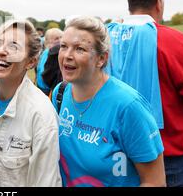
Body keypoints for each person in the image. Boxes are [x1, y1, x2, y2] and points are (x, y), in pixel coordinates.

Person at [52, 16, 165, 187]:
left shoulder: (129, 106)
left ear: (101, 59)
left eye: (79, 49)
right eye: (63, 46)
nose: (67, 55)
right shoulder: (60, 93)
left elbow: (155, 182)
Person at [107, 0, 183, 187]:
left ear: (130, 4)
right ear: (159, 3)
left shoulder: (104, 40)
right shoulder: (175, 42)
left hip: (112, 152)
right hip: (166, 155)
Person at [0, 19, 62, 187]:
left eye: (13, 46)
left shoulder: (42, 114)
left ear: (31, 62)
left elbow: (45, 181)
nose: (1, 51)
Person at [36, 28, 63, 94]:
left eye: (61, 37)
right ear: (48, 41)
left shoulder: (49, 52)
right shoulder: (49, 53)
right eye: (56, 38)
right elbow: (44, 73)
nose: (60, 40)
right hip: (45, 89)